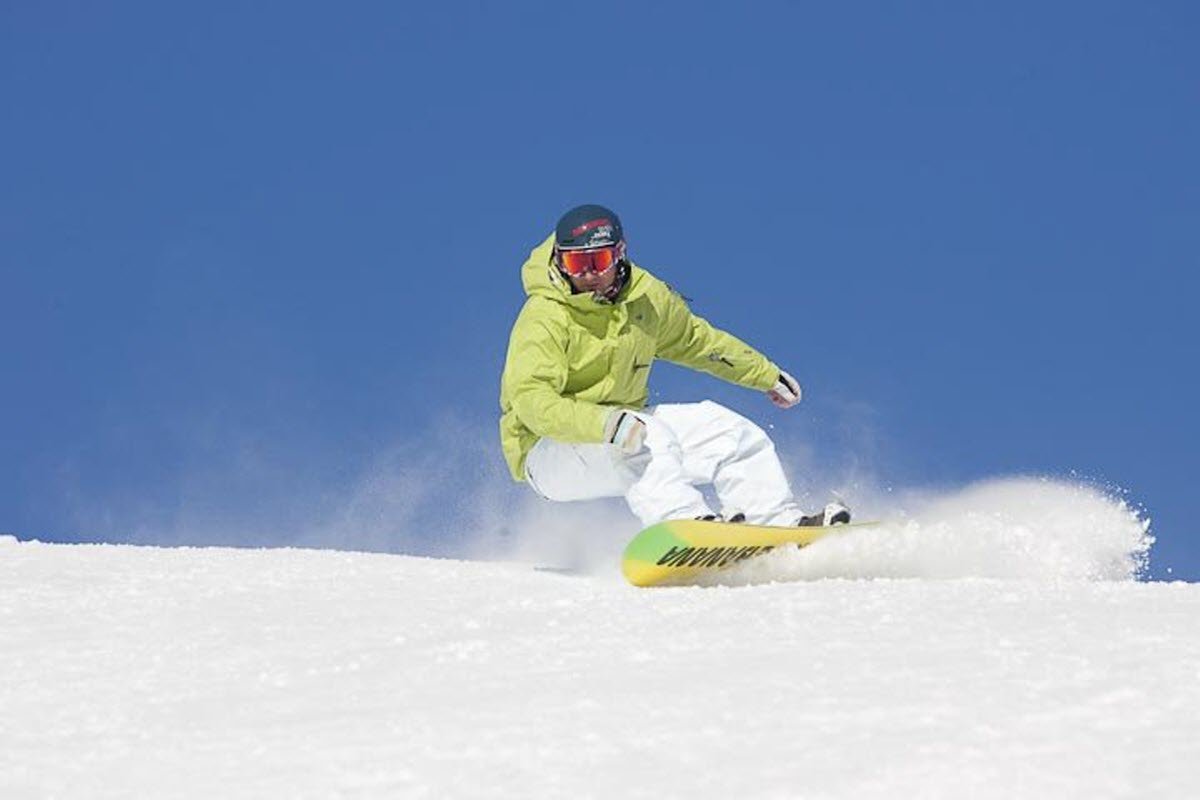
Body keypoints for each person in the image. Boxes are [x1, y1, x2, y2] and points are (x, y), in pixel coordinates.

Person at [499, 204, 850, 529]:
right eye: (577, 264)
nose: (588, 274)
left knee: (727, 432)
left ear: (619, 253)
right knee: (645, 437)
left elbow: (697, 341)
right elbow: (531, 400)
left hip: (623, 428)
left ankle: (777, 523)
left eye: (599, 260)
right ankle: (685, 525)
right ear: (560, 262)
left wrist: (765, 374)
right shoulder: (545, 317)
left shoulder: (644, 300)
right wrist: (603, 424)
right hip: (548, 453)